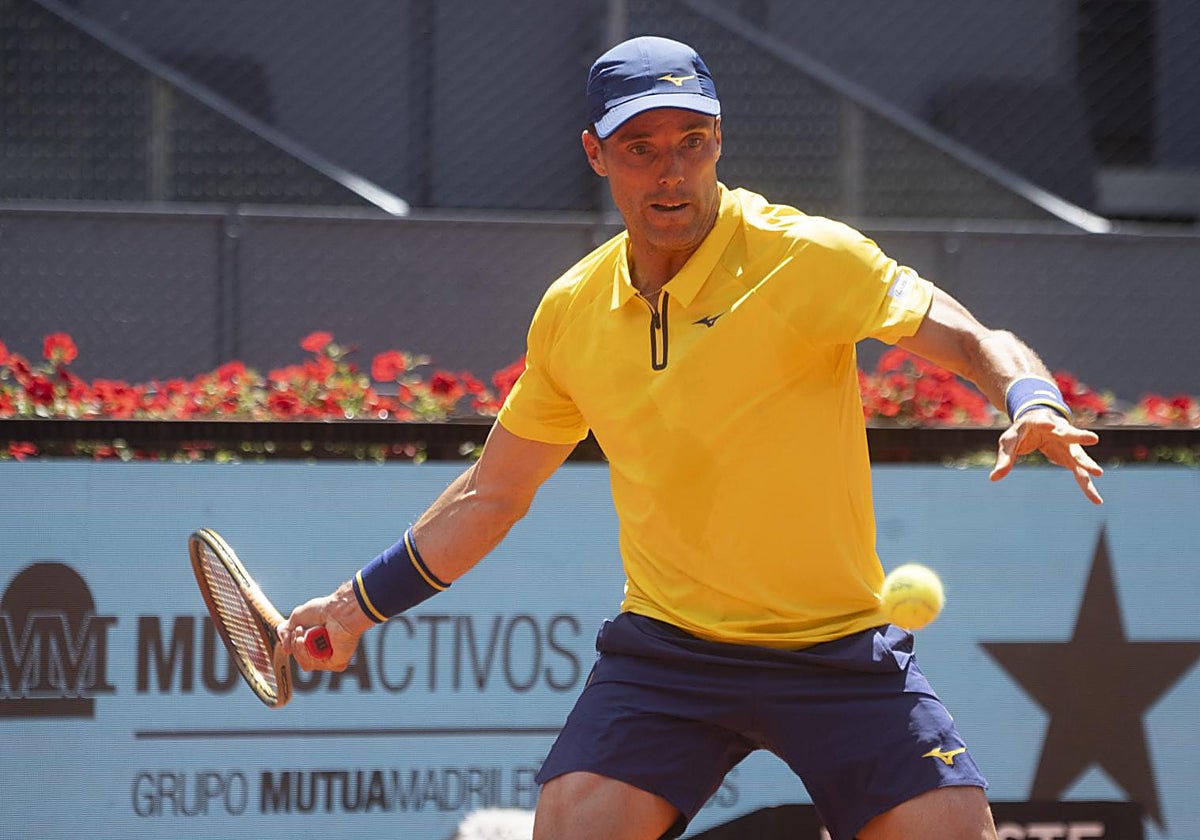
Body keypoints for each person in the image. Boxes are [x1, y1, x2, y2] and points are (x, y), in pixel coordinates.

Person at [281, 36, 1103, 840]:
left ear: (719, 141)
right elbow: (493, 494)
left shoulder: (808, 256)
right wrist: (354, 610)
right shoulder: (572, 313)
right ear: (596, 154)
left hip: (838, 649)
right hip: (670, 655)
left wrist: (1029, 399)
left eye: (692, 142)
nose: (671, 172)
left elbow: (965, 336)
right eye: (640, 148)